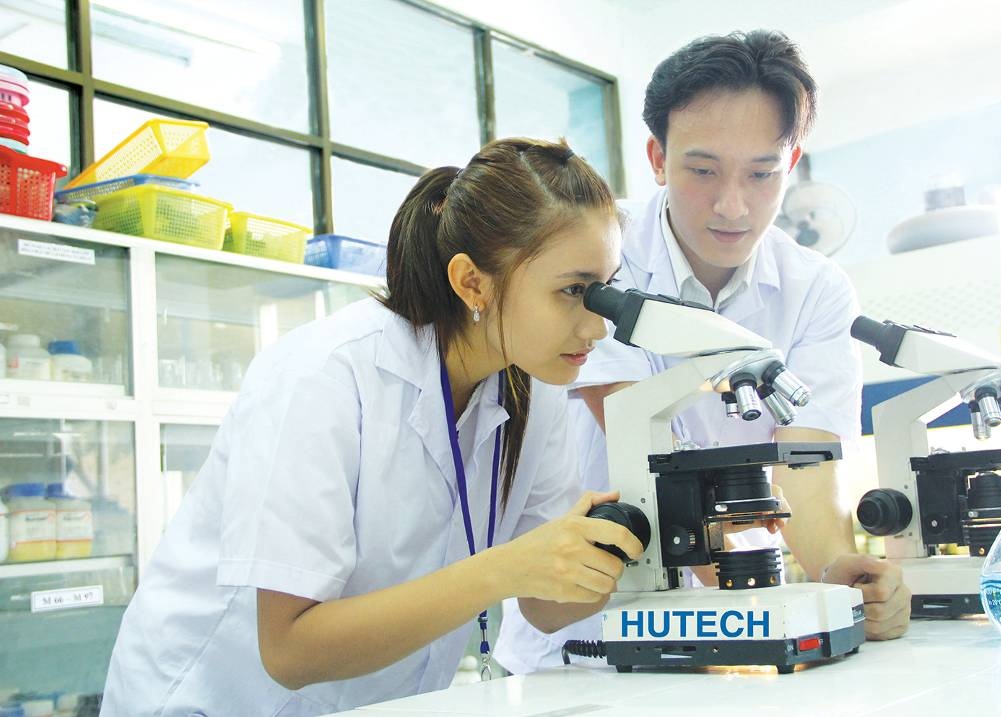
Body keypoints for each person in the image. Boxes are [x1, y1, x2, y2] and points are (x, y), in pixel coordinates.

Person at [101, 137, 644, 715]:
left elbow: (546, 607)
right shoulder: (323, 375)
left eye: (604, 290)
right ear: (472, 282)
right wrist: (505, 569)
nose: (598, 326)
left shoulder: (532, 385)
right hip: (213, 700)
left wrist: (614, 546)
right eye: (572, 291)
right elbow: (289, 650)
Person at [494, 30, 911, 675]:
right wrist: (757, 605)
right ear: (658, 158)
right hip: (580, 640)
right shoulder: (601, 253)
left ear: (792, 162)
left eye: (762, 174)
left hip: (741, 625)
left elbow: (808, 465)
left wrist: (837, 579)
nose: (732, 206)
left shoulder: (816, 289)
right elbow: (644, 442)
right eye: (703, 170)